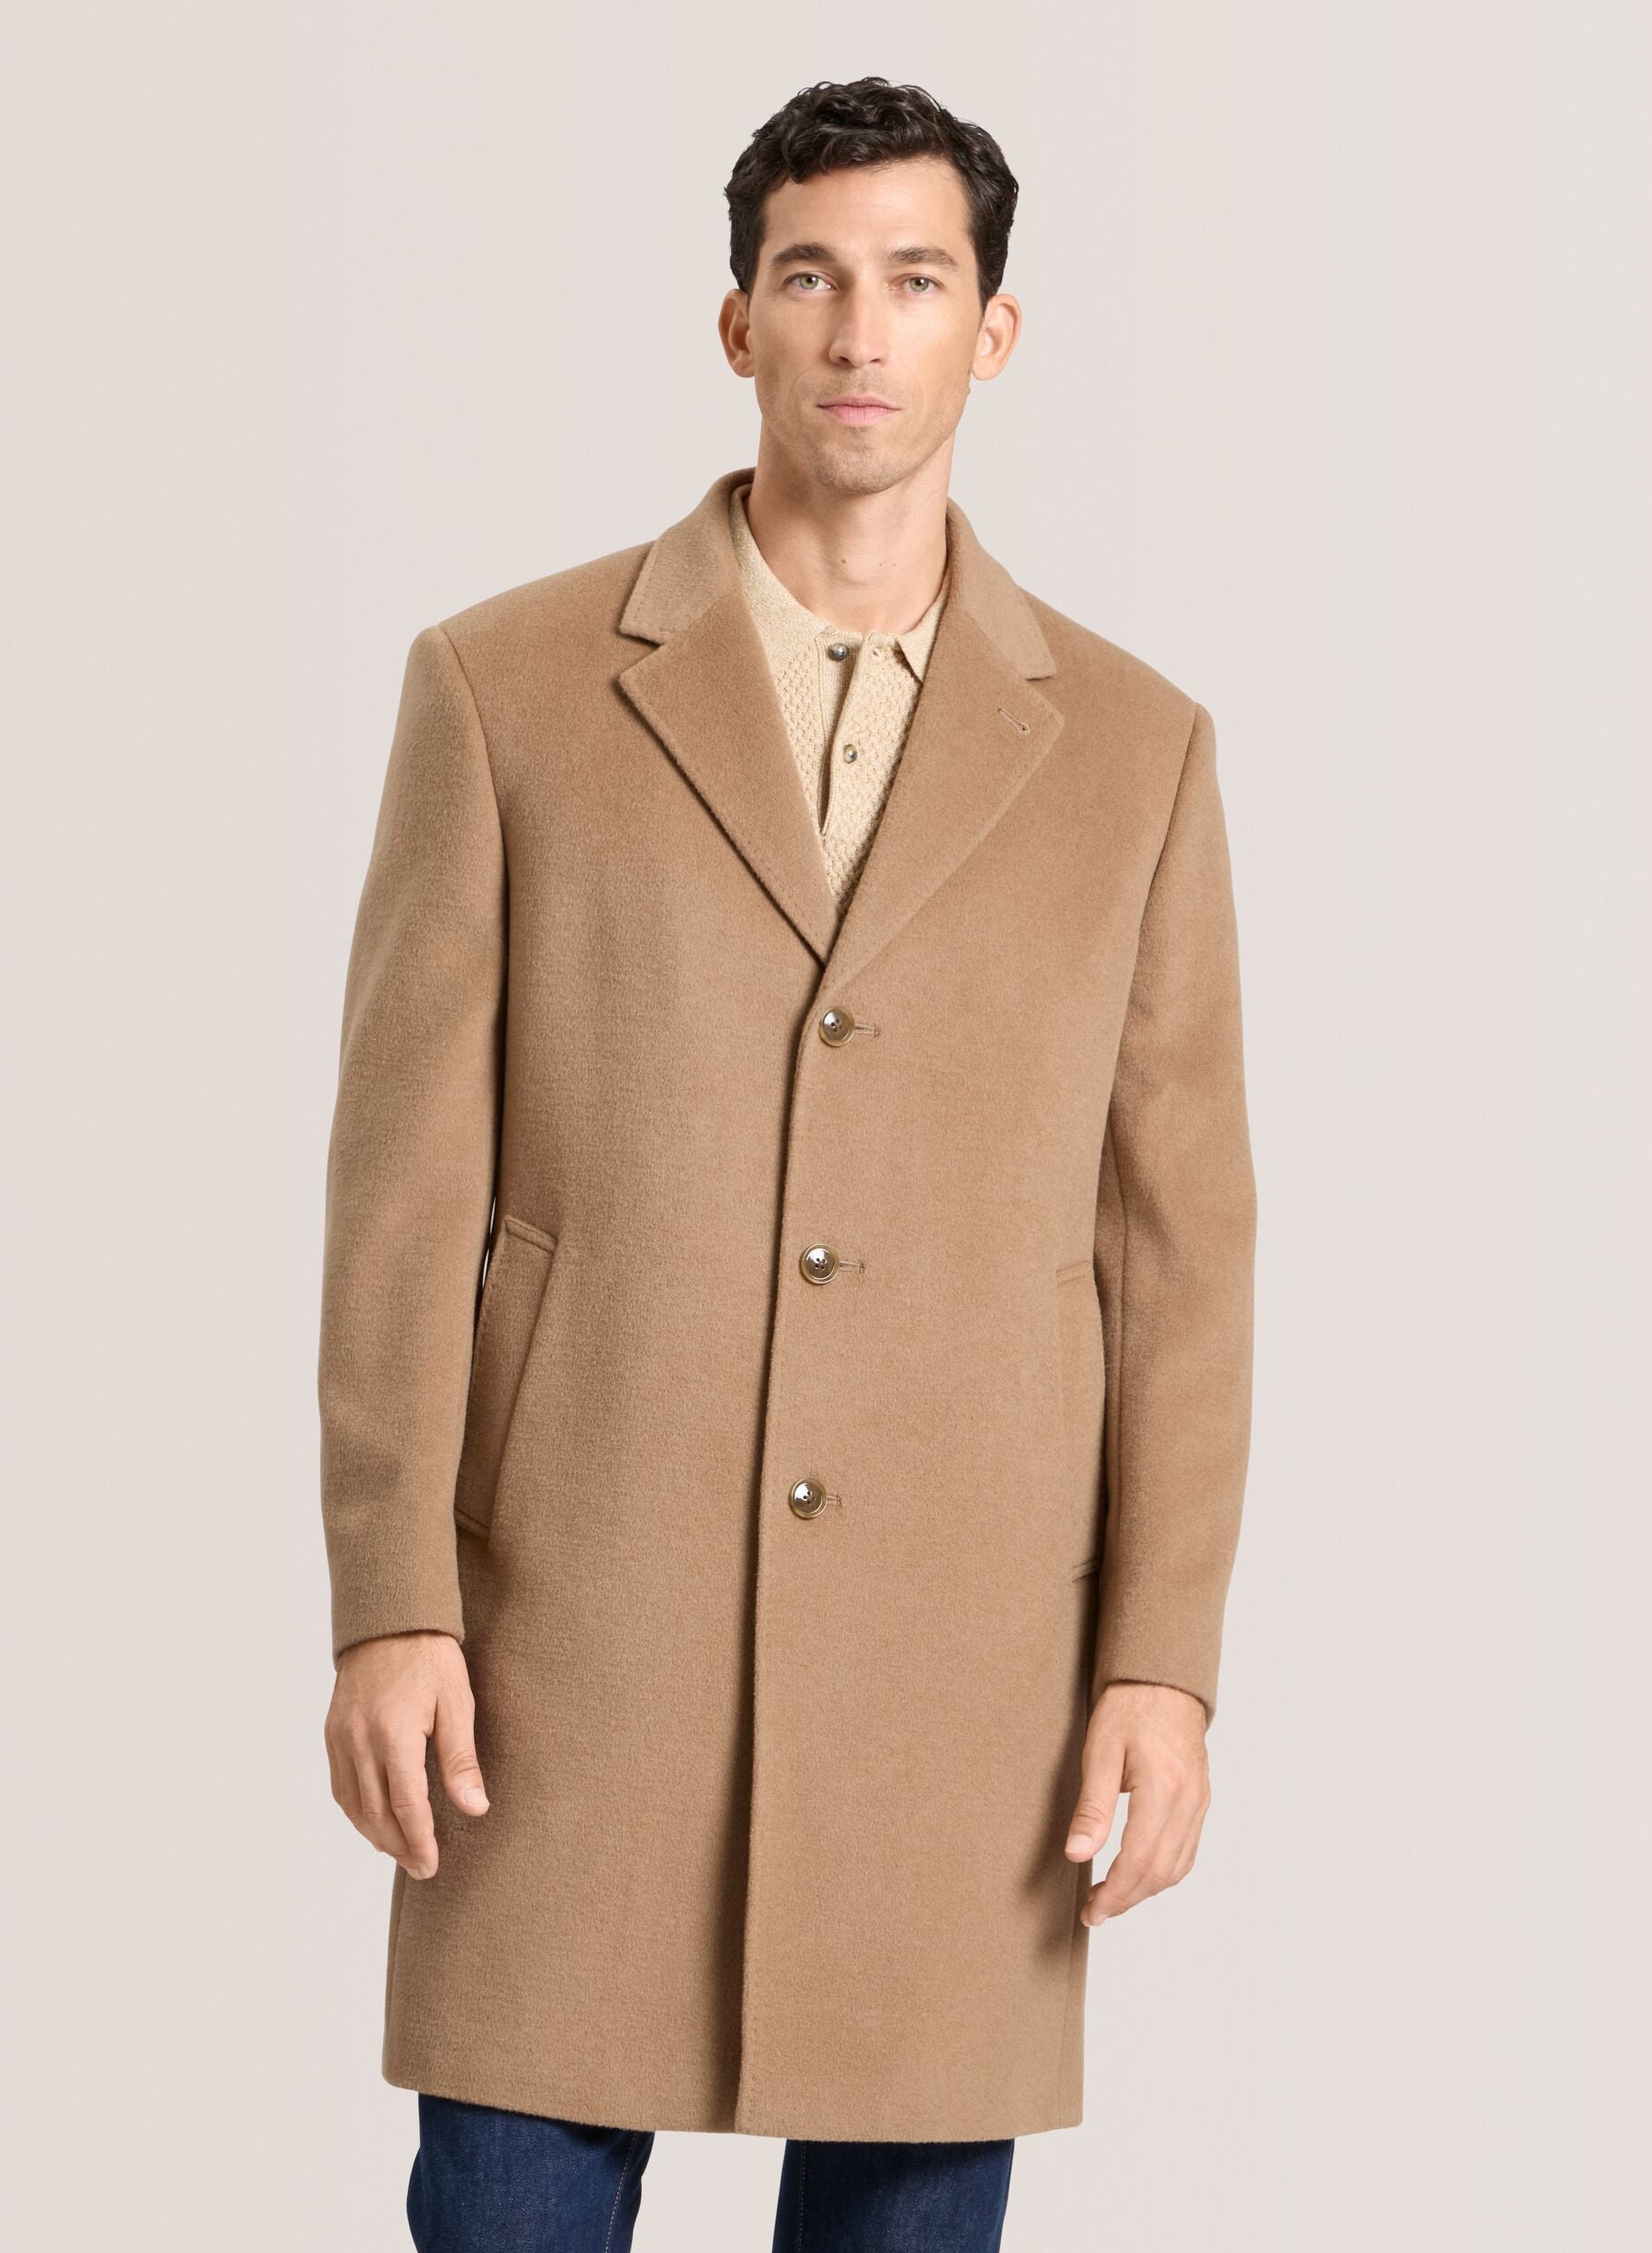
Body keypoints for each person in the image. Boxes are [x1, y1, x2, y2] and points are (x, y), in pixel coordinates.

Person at [318, 73, 1257, 2252]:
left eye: (915, 280)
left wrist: (1163, 1658)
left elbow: (1179, 1253)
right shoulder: (505, 689)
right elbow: (403, 1198)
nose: (859, 329)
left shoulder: (1135, 753)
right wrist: (392, 1598)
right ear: (736, 321)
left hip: (965, 1672)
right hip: (566, 1645)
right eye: (810, 275)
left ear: (992, 332)